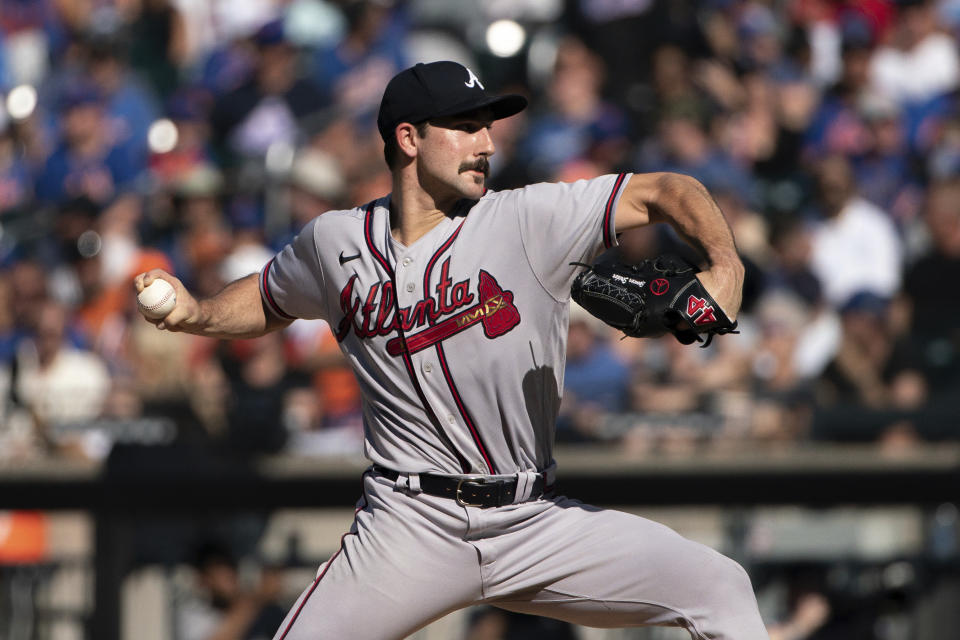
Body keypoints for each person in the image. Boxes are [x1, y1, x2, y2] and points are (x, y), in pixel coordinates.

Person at [135, 61, 767, 640]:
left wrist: (725, 264)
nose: (486, 143)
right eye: (465, 127)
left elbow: (666, 189)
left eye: (487, 127)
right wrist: (200, 314)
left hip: (533, 521)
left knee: (720, 587)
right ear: (409, 138)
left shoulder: (529, 218)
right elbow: (271, 297)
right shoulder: (335, 242)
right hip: (408, 523)